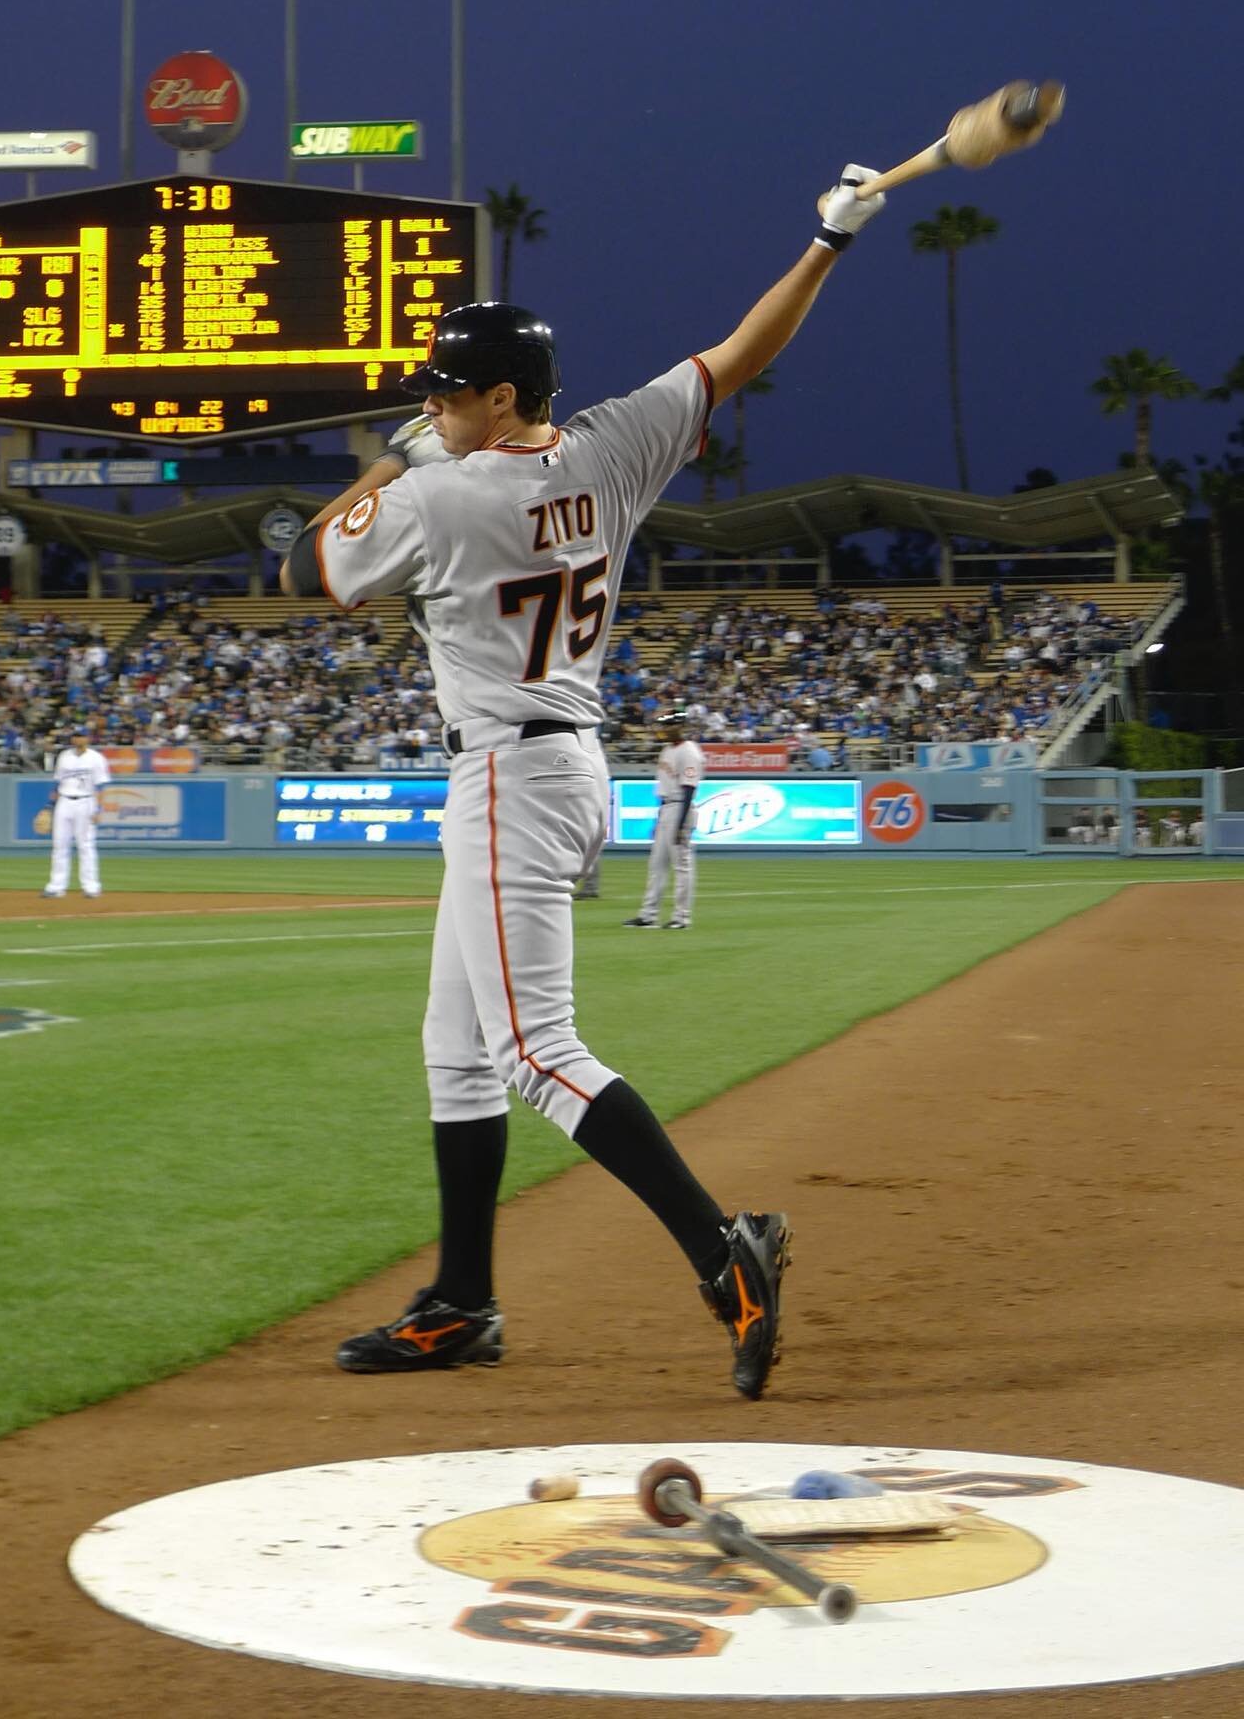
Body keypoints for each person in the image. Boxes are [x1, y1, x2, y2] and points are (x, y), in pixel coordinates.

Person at [279, 164, 886, 1399]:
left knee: (533, 1051)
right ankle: (461, 1302)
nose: (435, 407)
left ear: (503, 398)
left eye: (451, 393)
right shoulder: (614, 445)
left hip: (508, 776)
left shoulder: (440, 496)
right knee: (457, 1051)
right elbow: (734, 356)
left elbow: (303, 572)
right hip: (569, 761)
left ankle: (727, 1252)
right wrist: (827, 239)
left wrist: (391, 467)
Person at [623, 711, 704, 929]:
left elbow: (688, 789)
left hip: (681, 807)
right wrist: (659, 819)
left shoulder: (689, 751)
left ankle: (681, 917)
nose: (663, 729)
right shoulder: (667, 749)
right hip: (667, 807)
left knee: (682, 866)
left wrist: (679, 825)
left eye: (667, 725)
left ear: (679, 726)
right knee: (656, 865)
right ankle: (648, 915)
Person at [42, 724, 112, 898]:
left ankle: (91, 887)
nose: (78, 738)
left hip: (86, 801)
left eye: (81, 735)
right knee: (59, 845)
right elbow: (57, 782)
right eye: (75, 735)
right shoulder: (64, 757)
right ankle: (56, 887)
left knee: (86, 845)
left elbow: (101, 786)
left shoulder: (96, 758)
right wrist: (49, 807)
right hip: (64, 801)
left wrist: (99, 809)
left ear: (88, 738)